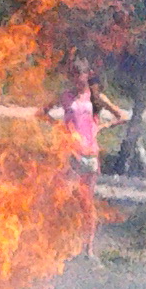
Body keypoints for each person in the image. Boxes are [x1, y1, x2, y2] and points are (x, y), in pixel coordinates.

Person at [44, 59, 126, 259]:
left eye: (79, 76)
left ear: (87, 75)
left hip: (89, 155)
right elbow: (43, 112)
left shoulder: (95, 98)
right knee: (66, 199)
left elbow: (121, 116)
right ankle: (63, 245)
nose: (76, 80)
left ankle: (88, 249)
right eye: (72, 76)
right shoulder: (65, 97)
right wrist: (60, 129)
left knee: (86, 203)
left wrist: (101, 127)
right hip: (71, 154)